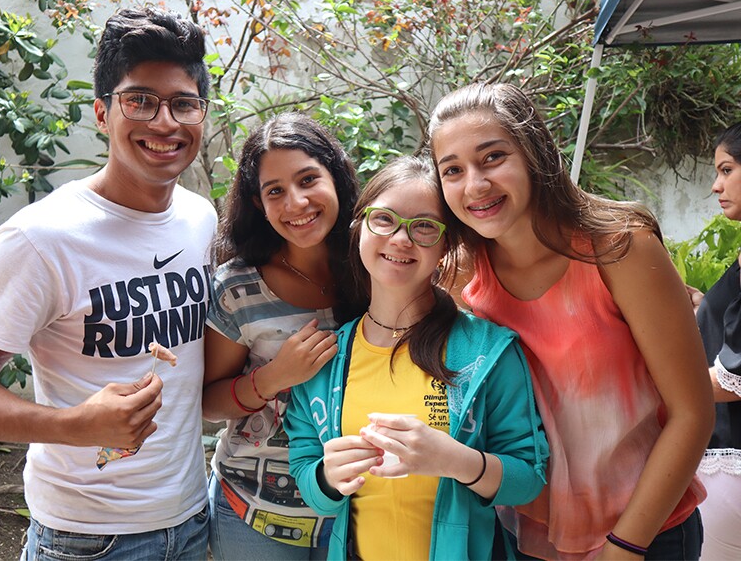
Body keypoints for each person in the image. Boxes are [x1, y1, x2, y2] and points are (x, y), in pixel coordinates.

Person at [0, 8, 216, 560]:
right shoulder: (41, 238)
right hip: (86, 537)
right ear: (101, 111)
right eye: (140, 100)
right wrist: (73, 425)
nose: (165, 123)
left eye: (183, 103)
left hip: (191, 517)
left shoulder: (199, 217)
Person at [428, 81, 713, 560]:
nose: (474, 185)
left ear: (535, 153)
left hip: (647, 532)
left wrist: (625, 546)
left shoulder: (619, 249)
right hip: (527, 536)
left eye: (493, 157)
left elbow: (693, 412)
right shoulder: (461, 275)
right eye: (452, 170)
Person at [283, 154, 549, 560]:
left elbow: (529, 478)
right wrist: (326, 477)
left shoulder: (488, 352)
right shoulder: (324, 362)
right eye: (385, 220)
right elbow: (308, 479)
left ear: (446, 246)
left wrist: (457, 461)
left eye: (424, 226)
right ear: (359, 231)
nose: (401, 239)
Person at [202, 112, 361, 560]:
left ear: (336, 174)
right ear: (258, 203)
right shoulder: (237, 288)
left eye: (308, 179)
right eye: (275, 191)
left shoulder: (377, 266)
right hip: (255, 512)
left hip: (359, 510)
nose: (296, 203)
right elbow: (208, 402)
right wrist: (273, 378)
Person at [694, 122, 741, 560]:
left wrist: (650, 382)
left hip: (732, 468)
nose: (716, 185)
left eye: (726, 170)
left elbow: (733, 381)